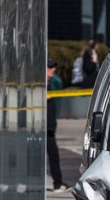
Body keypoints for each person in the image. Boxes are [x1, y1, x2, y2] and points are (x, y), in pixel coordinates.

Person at [46, 60, 67, 192]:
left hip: (49, 129)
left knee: (53, 155)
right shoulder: (37, 85)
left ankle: (58, 183)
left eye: (54, 66)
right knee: (33, 157)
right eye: (50, 67)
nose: (53, 69)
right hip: (39, 129)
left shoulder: (51, 84)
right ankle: (57, 183)